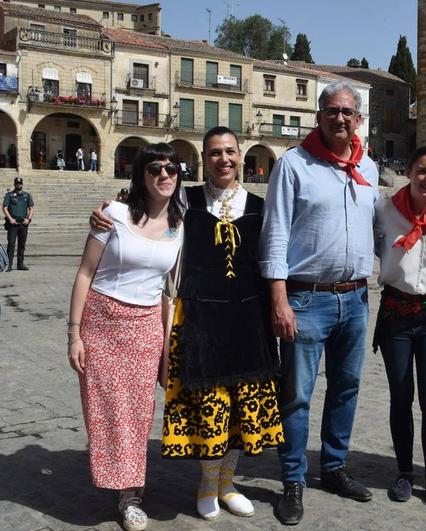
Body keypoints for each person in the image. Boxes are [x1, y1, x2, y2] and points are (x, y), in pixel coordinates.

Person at [91, 127, 284, 523]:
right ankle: (207, 484)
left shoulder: (262, 206)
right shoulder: (185, 199)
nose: (224, 159)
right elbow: (146, 206)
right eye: (215, 153)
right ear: (203, 158)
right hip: (199, 318)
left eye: (230, 151)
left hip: (249, 320)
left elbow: (273, 259)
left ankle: (229, 484)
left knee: (242, 409)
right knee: (208, 408)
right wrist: (112, 207)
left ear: (241, 155)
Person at [260, 80, 379, 526]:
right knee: (296, 396)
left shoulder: (368, 164)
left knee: (346, 389)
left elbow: (382, 225)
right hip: (306, 298)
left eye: (348, 112)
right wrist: (279, 300)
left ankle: (334, 468)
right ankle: (293, 479)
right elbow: (274, 234)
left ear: (358, 119)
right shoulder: (293, 165)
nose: (341, 118)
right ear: (320, 116)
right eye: (333, 111)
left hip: (356, 297)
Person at [68, 143, 184, 531]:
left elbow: (170, 288)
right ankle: (117, 479)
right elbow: (85, 273)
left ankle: (130, 495)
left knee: (137, 415)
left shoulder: (180, 226)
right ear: (141, 174)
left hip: (146, 327)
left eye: (172, 168)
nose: (164, 175)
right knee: (105, 411)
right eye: (155, 168)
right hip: (101, 323)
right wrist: (74, 334)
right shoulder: (112, 214)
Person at [373, 146, 426, 512]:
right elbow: (373, 244)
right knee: (400, 397)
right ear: (408, 172)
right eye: (422, 170)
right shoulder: (386, 208)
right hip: (395, 313)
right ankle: (405, 472)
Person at [3, 177, 34, 271]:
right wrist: (10, 219)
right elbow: (4, 208)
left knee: (22, 244)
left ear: (22, 184)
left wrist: (28, 219)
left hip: (23, 224)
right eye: (17, 183)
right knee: (11, 244)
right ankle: (9, 265)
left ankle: (20, 264)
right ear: (14, 184)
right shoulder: (9, 195)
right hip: (13, 224)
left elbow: (31, 208)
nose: (18, 185)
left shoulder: (27, 195)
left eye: (20, 183)